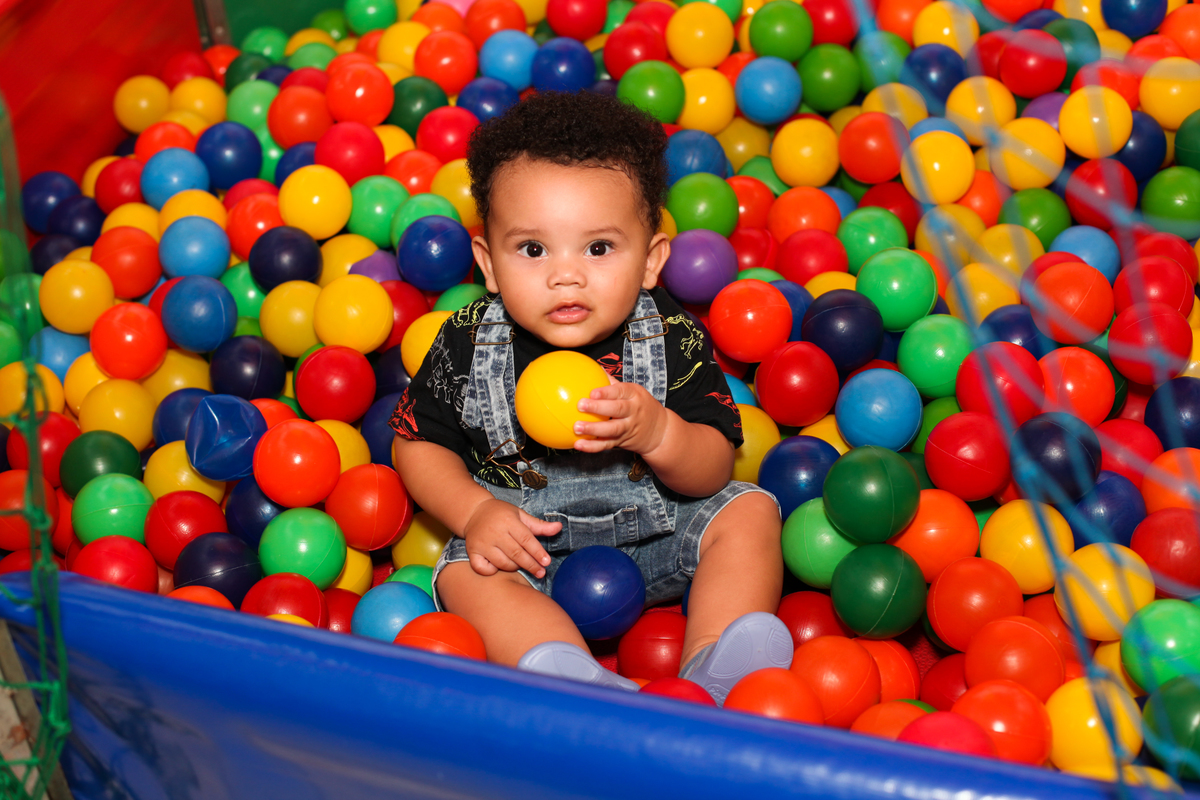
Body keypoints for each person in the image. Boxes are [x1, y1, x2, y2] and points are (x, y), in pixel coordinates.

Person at [390, 90, 789, 705]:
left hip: (661, 534)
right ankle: (570, 675)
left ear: (651, 260)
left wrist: (658, 433)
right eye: (532, 249)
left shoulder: (671, 333)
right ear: (488, 263)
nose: (565, 274)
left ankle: (717, 662)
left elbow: (713, 469)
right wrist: (475, 514)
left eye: (598, 248)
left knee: (750, 510)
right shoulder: (467, 341)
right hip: (527, 549)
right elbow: (415, 444)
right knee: (467, 572)